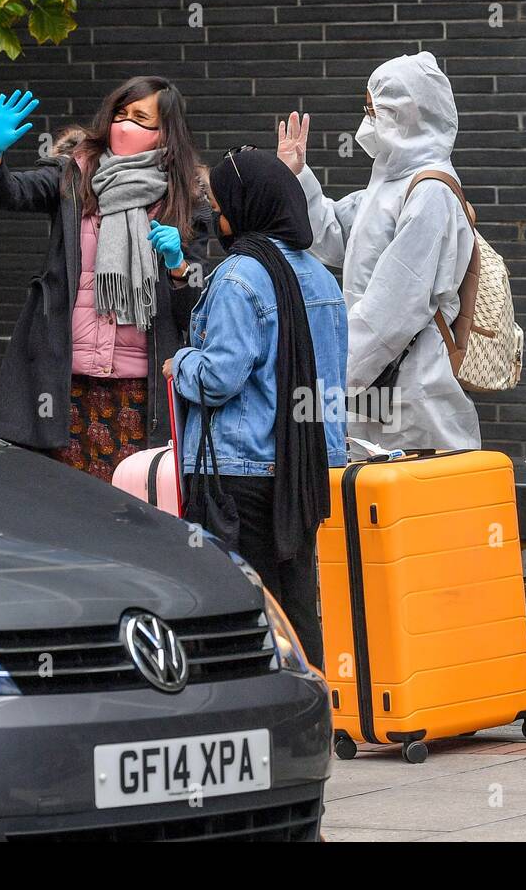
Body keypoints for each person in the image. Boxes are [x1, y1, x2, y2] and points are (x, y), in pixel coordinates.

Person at [157, 147, 347, 669]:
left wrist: (183, 364)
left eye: (220, 204)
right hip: (302, 471)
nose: (216, 216)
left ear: (247, 205)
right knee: (295, 605)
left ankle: (253, 712)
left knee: (239, 604)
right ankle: (311, 712)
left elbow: (220, 377)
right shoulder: (325, 280)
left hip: (236, 473)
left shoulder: (239, 275)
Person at [0, 79, 212, 481]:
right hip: (68, 383)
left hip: (142, 392)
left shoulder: (186, 199)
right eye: (120, 114)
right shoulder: (74, 175)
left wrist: (178, 267)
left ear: (167, 133)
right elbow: (11, 193)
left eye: (140, 118)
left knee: (136, 505)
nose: (124, 125)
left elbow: (195, 311)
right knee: (67, 506)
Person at [277, 51, 480, 451]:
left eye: (375, 110)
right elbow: (332, 234)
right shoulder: (388, 185)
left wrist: (330, 376)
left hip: (410, 380)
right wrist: (298, 175)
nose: (368, 122)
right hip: (379, 377)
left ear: (406, 113)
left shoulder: (430, 193)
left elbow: (395, 307)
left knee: (418, 494)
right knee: (376, 493)